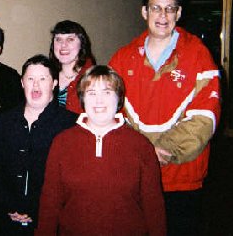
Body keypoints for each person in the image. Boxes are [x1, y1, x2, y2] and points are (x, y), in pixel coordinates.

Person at [109, 0, 221, 236]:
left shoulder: (198, 55)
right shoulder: (122, 57)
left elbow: (206, 116)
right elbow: (111, 115)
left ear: (179, 13)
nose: (163, 15)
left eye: (170, 8)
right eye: (156, 8)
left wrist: (163, 151)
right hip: (134, 178)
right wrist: (141, 155)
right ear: (144, 11)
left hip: (182, 179)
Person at [36, 65, 166, 235]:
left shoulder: (140, 145)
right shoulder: (62, 142)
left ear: (118, 98)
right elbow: (50, 202)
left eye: (106, 92)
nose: (99, 101)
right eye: (91, 93)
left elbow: (154, 207)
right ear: (82, 99)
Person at [0, 54, 77, 235]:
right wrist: (9, 205)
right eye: (30, 79)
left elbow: (72, 180)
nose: (36, 85)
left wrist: (36, 209)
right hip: (6, 221)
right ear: (22, 82)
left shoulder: (70, 124)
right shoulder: (5, 121)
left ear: (54, 83)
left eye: (43, 79)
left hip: (52, 223)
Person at [49, 20, 96, 113]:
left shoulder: (95, 79)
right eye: (58, 39)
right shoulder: (46, 76)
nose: (63, 45)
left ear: (81, 44)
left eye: (70, 39)